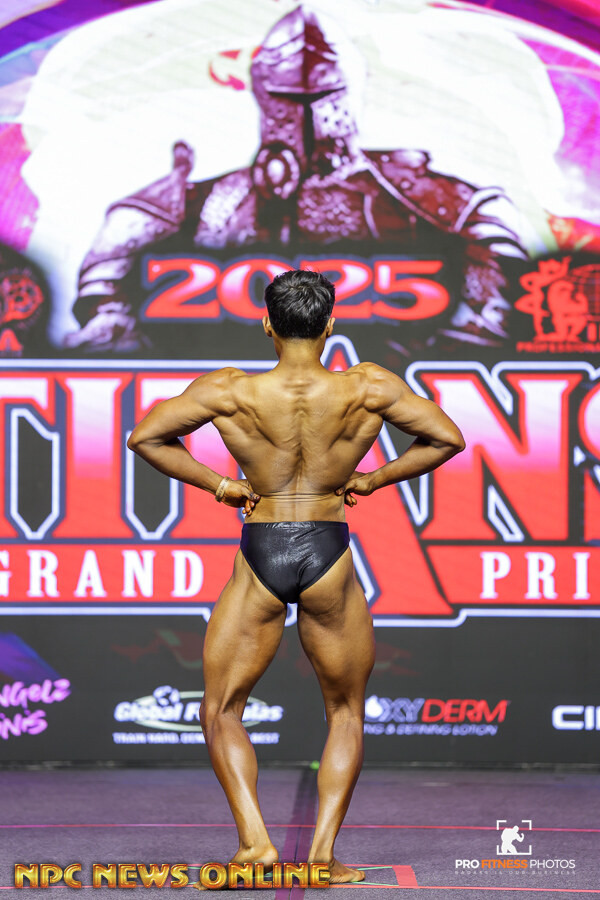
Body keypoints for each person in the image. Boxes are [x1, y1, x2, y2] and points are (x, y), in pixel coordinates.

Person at [127, 269, 465, 886]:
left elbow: (146, 437)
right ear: (330, 324)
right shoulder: (368, 387)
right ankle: (322, 856)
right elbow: (446, 439)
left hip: (262, 548)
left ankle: (255, 846)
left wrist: (223, 486)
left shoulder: (229, 390)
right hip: (328, 550)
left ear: (267, 324)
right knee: (346, 711)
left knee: (221, 709)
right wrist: (372, 479)